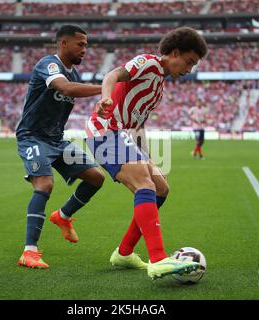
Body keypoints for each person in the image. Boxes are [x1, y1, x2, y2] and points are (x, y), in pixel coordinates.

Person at [86, 27, 208, 279]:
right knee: (144, 183)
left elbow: (139, 125)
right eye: (189, 62)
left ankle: (124, 252)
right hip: (104, 130)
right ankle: (158, 258)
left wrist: (149, 158)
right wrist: (106, 99)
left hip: (122, 134)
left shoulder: (160, 87)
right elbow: (112, 75)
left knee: (161, 187)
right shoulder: (148, 63)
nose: (190, 69)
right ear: (174, 53)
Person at [16, 25, 105, 269]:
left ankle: (63, 216)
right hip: (33, 137)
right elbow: (65, 89)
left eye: (86, 45)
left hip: (57, 140)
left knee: (96, 177)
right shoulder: (49, 64)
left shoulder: (75, 75)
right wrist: (107, 86)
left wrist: (101, 105)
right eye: (81, 44)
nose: (85, 49)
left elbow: (72, 93)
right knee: (44, 184)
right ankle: (29, 251)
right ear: (63, 43)